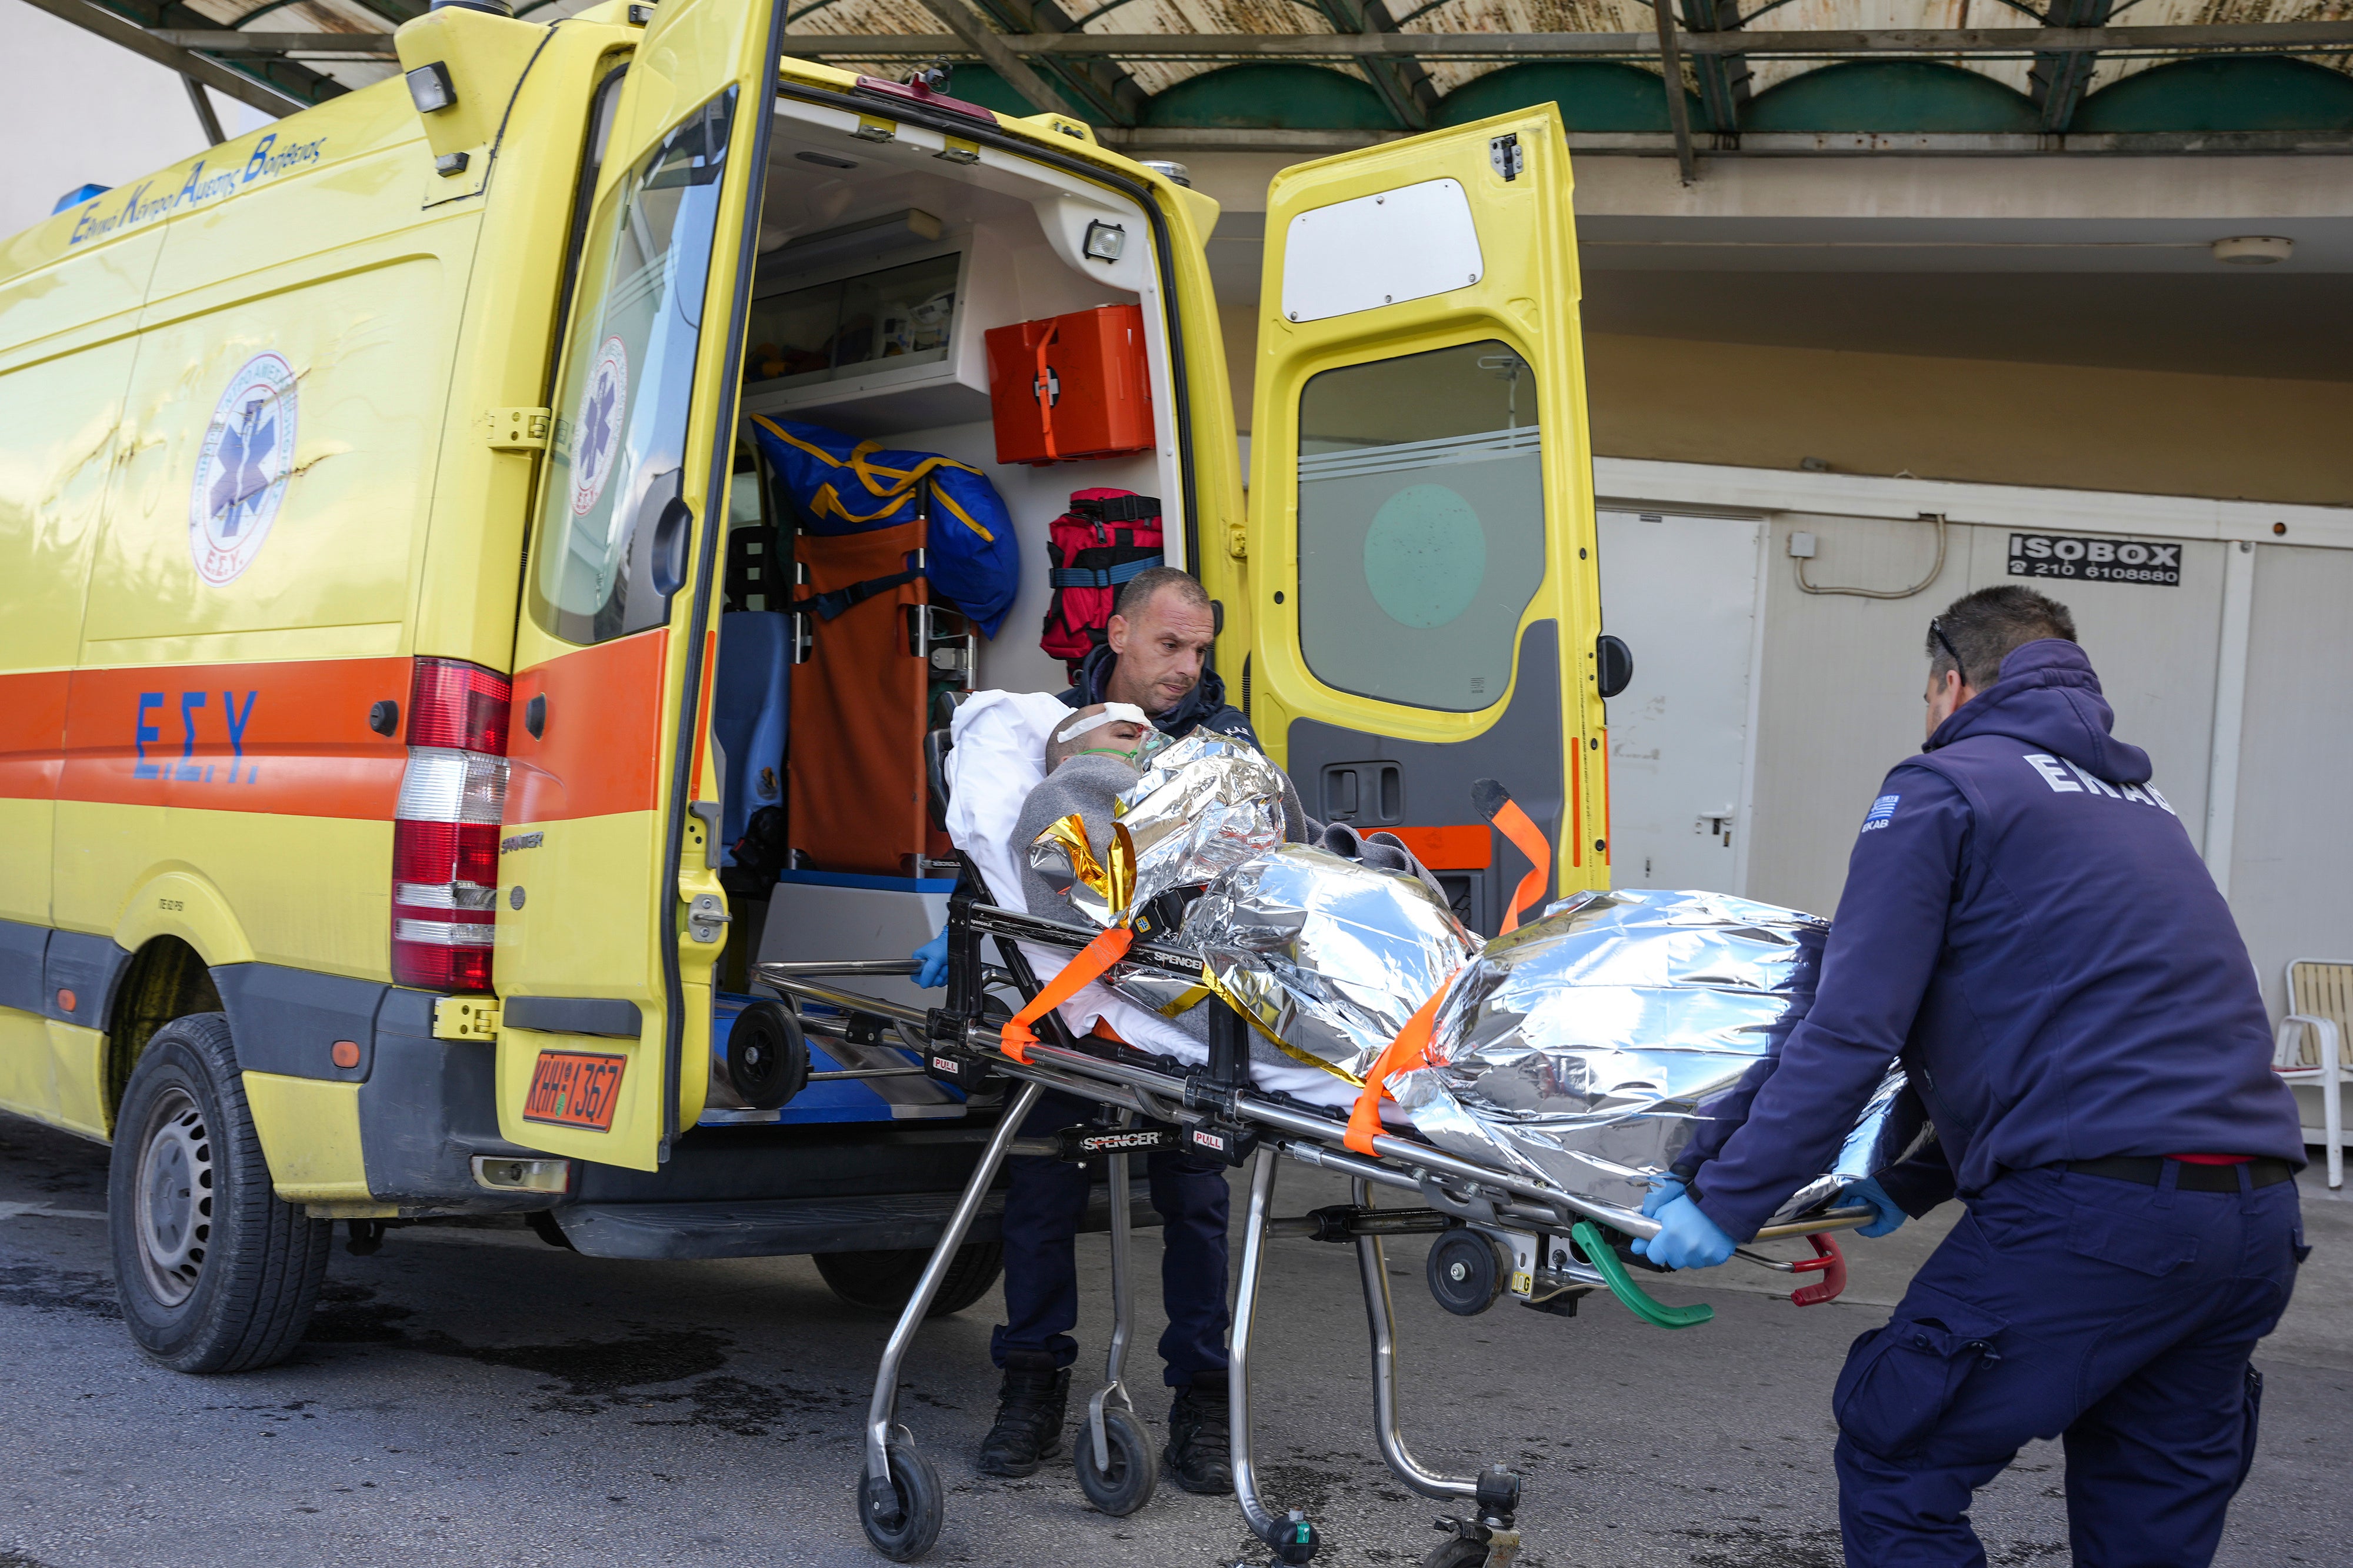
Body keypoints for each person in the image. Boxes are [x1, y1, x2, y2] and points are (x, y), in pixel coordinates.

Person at [1633, 585, 2308, 1567]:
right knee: (2145, 1528)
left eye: (1925, 692)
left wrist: (1725, 1200)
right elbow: (2079, 1030)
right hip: (2248, 1227)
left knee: (1898, 1461)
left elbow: (1851, 1028)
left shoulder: (1944, 787)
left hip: (2093, 1223)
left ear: (1951, 683)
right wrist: (1907, 1180)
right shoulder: (2142, 807)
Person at [912, 568, 1255, 1494]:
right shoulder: (1057, 726)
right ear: (1118, 632)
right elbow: (998, 845)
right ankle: (1030, 1386)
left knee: (1198, 1197)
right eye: (1168, 646)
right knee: (1039, 1183)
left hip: (1180, 1009)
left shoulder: (1221, 743)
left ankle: (1203, 1400)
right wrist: (962, 933)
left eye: (1199, 649)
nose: (1185, 668)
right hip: (1066, 1000)